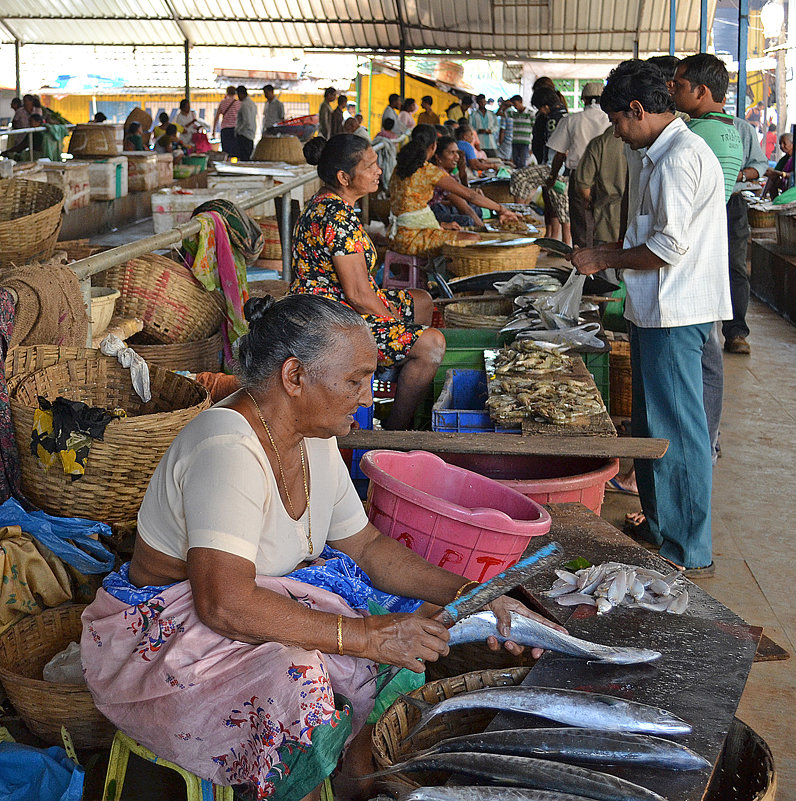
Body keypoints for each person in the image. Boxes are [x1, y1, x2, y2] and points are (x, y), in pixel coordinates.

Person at [81, 291, 553, 800]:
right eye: (354, 381)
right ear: (294, 377)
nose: (369, 398)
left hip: (248, 605)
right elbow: (223, 603)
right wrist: (365, 635)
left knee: (417, 619)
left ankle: (353, 774)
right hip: (170, 633)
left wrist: (477, 595)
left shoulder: (316, 439)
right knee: (304, 680)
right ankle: (305, 787)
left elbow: (369, 547)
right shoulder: (228, 448)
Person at [570, 59, 731, 578]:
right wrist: (608, 250)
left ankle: (688, 550)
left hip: (677, 313)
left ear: (637, 110)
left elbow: (667, 247)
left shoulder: (681, 157)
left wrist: (605, 260)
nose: (616, 132)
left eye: (618, 121)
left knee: (679, 435)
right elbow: (648, 234)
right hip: (654, 309)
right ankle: (662, 529)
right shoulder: (655, 155)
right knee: (652, 426)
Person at [291, 134, 443, 429]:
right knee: (433, 343)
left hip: (332, 304)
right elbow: (359, 295)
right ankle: (397, 430)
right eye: (370, 166)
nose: (379, 170)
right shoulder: (336, 218)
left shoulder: (329, 203)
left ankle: (395, 380)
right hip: (331, 320)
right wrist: (394, 323)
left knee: (421, 300)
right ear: (344, 177)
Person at [671, 52, 744, 474]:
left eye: (678, 85)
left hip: (693, 251)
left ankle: (697, 447)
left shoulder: (694, 134)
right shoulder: (732, 130)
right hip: (711, 244)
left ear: (701, 91)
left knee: (698, 359)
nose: (672, 91)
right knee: (709, 354)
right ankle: (708, 440)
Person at [389, 124, 518, 257]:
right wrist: (502, 209)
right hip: (412, 239)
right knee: (473, 238)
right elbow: (471, 196)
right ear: (434, 146)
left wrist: (442, 224)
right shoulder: (428, 171)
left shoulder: (399, 169)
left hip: (397, 235)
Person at [546, 82, 610, 247]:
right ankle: (602, 262)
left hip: (580, 177)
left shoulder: (572, 120)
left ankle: (583, 265)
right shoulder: (611, 119)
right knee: (605, 222)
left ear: (584, 100)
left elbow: (560, 154)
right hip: (608, 176)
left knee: (581, 224)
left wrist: (553, 176)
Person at [572, 126, 627, 247]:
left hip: (607, 221)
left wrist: (589, 202)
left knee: (605, 261)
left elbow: (583, 184)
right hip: (635, 221)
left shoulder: (600, 143)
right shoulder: (644, 144)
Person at [530, 86, 570, 244]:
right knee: (558, 205)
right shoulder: (565, 114)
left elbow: (556, 148)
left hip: (555, 167)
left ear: (545, 106)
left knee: (559, 205)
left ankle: (563, 241)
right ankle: (558, 239)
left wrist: (552, 172)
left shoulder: (553, 119)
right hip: (560, 167)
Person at [430, 136, 486, 229]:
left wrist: (462, 171)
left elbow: (462, 194)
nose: (457, 157)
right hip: (434, 211)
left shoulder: (448, 174)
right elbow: (463, 205)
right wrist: (483, 229)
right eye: (452, 153)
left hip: (445, 208)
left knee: (476, 210)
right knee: (467, 220)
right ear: (438, 157)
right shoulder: (439, 175)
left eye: (457, 152)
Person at [506, 95, 533, 168]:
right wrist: (507, 105)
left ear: (521, 102)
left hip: (525, 142)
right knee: (515, 162)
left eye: (515, 104)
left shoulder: (530, 113)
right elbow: (499, 113)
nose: (514, 106)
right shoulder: (513, 113)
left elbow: (534, 129)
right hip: (515, 141)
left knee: (522, 162)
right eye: (513, 105)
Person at [763, 132, 793, 198]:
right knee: (773, 178)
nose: (782, 146)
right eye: (780, 144)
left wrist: (781, 174)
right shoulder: (785, 159)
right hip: (786, 184)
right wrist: (763, 194)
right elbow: (773, 174)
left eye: (784, 143)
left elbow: (793, 175)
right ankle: (774, 201)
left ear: (792, 144)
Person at [213, 86, 240, 158]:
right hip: (235, 129)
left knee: (226, 151)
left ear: (227, 92)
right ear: (235, 93)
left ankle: (226, 164)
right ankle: (234, 165)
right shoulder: (238, 103)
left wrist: (213, 131)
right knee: (234, 150)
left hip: (225, 129)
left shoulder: (223, 102)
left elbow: (217, 117)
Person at [235, 85, 258, 162]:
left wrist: (239, 131)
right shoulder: (252, 104)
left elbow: (246, 121)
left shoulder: (245, 105)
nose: (238, 97)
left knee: (244, 158)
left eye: (238, 95)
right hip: (251, 133)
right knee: (248, 156)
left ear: (241, 94)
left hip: (244, 134)